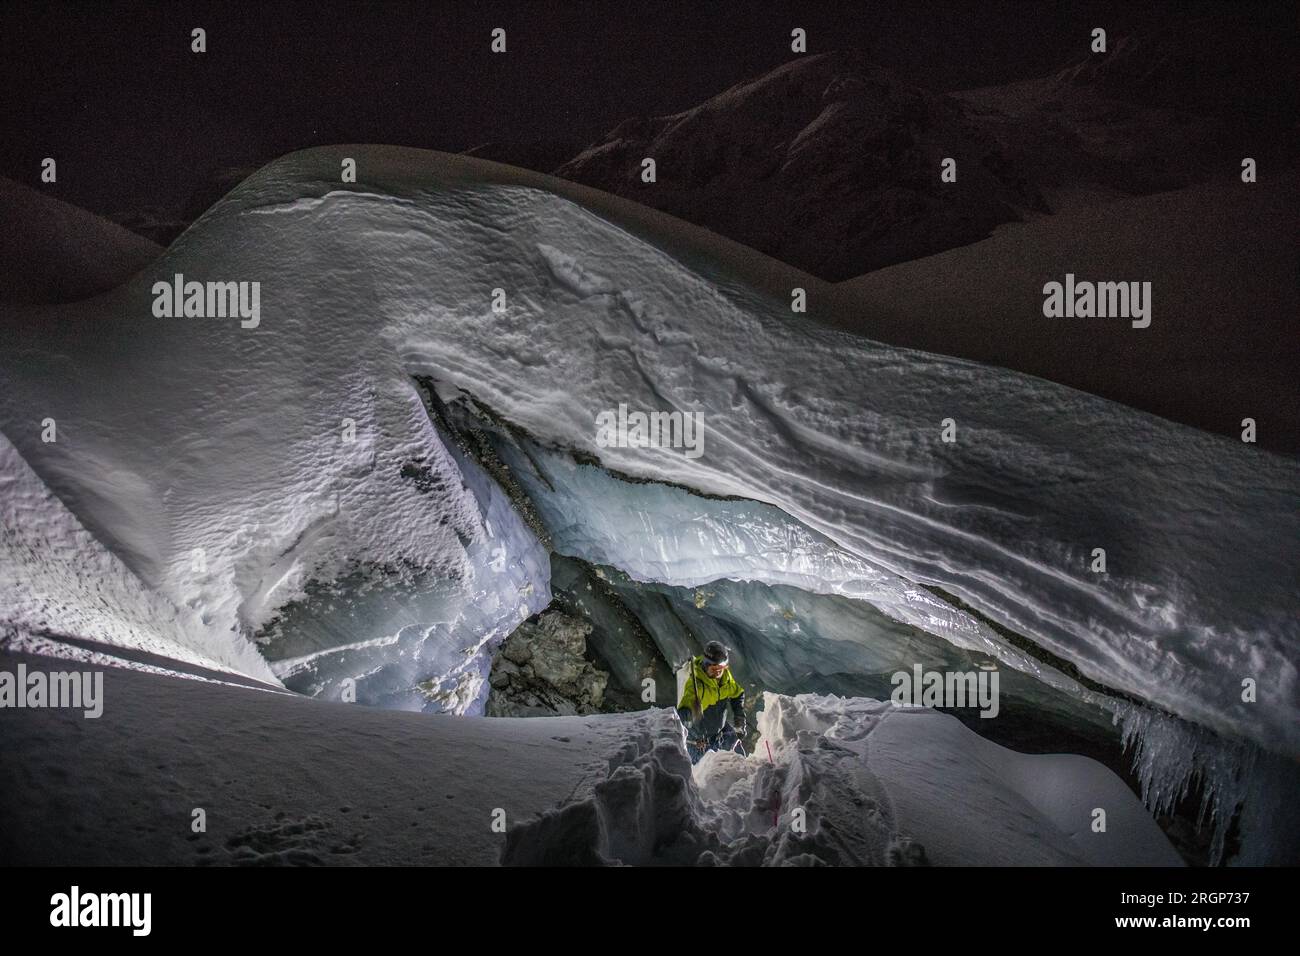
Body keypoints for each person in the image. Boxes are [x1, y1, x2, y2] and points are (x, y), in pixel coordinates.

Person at [676, 641, 746, 764]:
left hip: (721, 734)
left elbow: (738, 694)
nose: (718, 672)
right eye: (714, 669)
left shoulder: (725, 679)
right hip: (699, 744)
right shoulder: (696, 686)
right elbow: (683, 714)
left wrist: (739, 718)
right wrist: (689, 714)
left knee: (741, 766)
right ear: (705, 665)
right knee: (705, 779)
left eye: (722, 668)